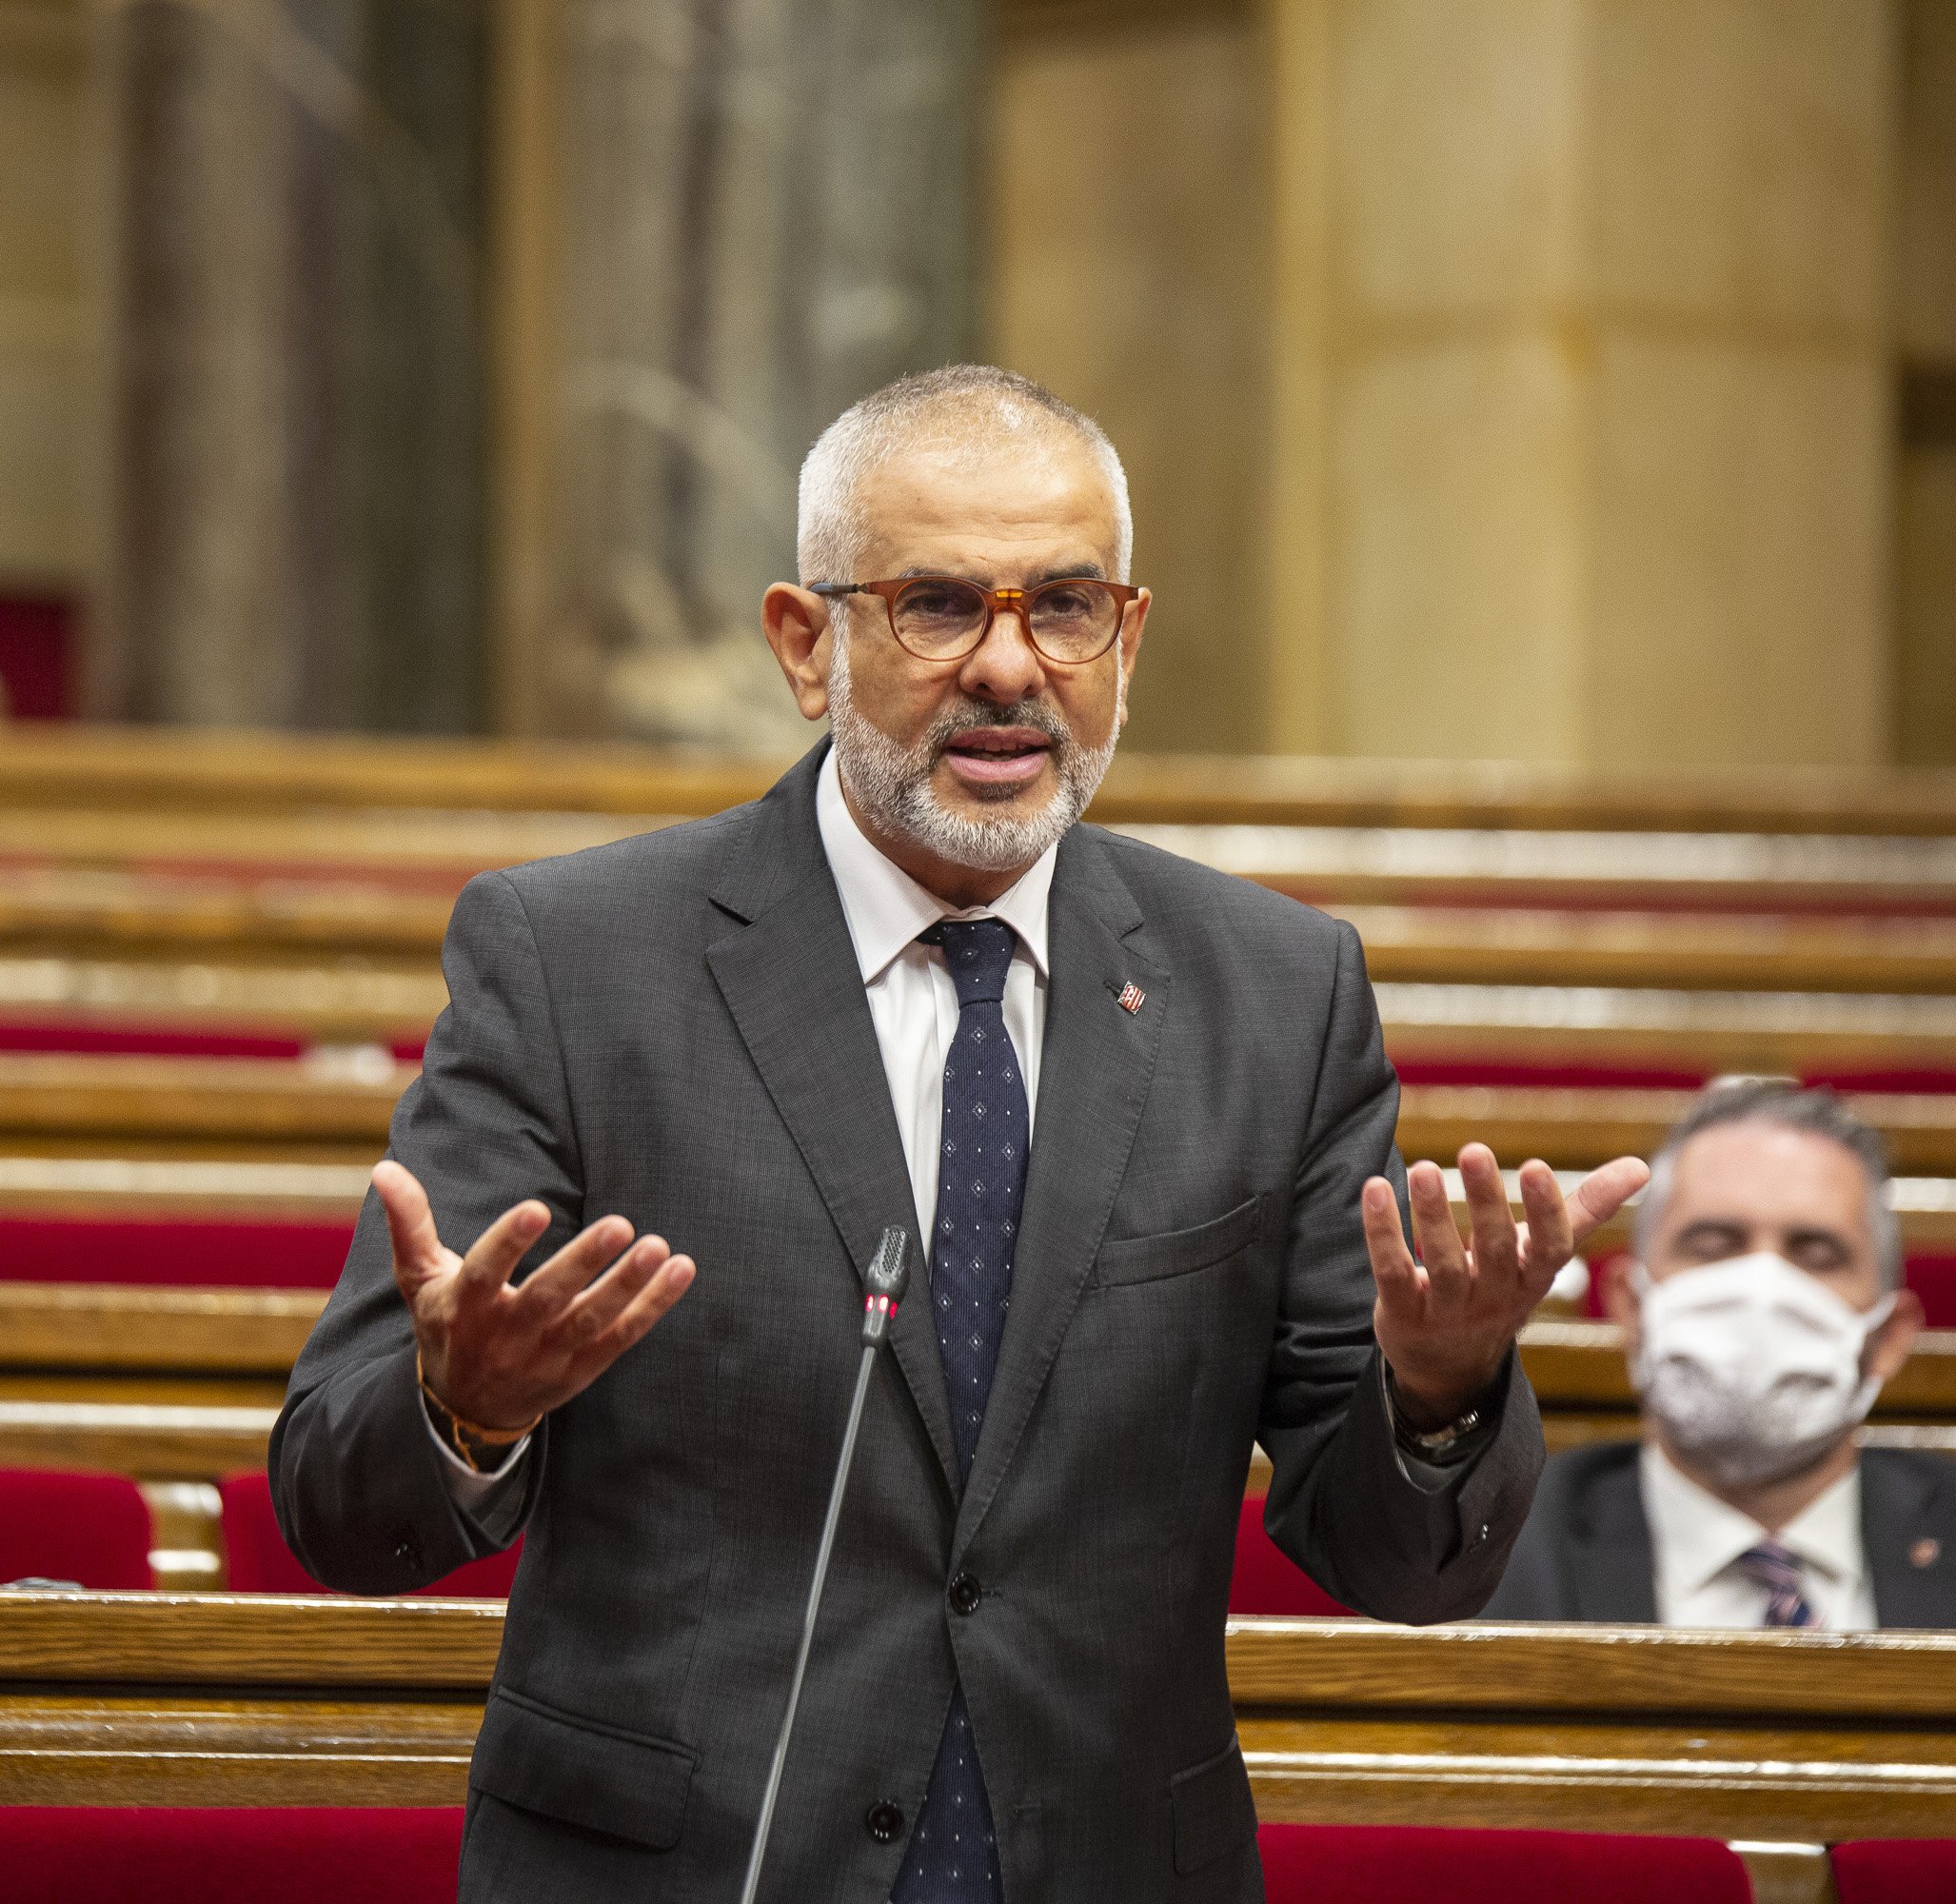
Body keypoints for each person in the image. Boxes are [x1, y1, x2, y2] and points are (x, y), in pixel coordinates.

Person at [269, 365, 1648, 1903]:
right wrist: (463, 1415)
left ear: (1126, 640)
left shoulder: (1274, 995)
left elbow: (1403, 1569)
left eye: (1063, 607)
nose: (1010, 668)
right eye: (936, 607)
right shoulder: (575, 967)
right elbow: (341, 1508)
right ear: (807, 645)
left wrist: (1443, 1386)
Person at [1484, 1080, 1956, 1633]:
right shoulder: (1494, 1558)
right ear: (1630, 1307)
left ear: (1888, 1338)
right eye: (1713, 1244)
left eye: (1815, 1253)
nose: (1762, 1289)